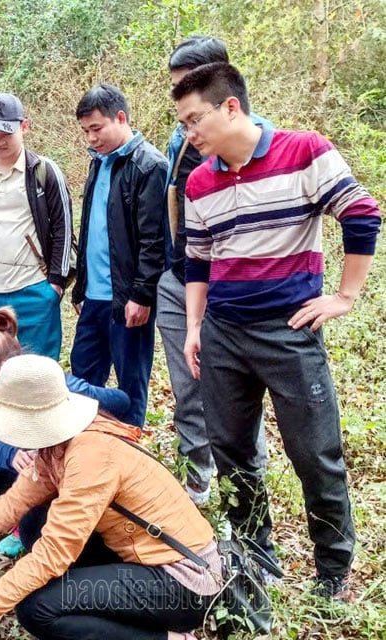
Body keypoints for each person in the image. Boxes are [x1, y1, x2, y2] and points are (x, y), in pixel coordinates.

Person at [174, 62, 381, 599]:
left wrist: (343, 297)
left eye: (195, 121)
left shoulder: (304, 151)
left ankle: (333, 573)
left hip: (289, 332)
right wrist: (195, 328)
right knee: (231, 452)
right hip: (223, 333)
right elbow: (198, 261)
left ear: (231, 107)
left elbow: (360, 213)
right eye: (184, 124)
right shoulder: (199, 181)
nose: (188, 134)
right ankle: (253, 557)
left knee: (316, 453)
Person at [0, 354, 219, 640]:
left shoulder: (90, 453)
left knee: (37, 609)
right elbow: (12, 504)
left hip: (183, 582)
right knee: (34, 524)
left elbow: (55, 551)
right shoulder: (57, 446)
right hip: (140, 555)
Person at [159, 37, 268, 505]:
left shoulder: (259, 140)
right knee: (187, 387)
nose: (185, 115)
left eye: (188, 90)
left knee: (236, 396)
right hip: (181, 277)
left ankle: (246, 480)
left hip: (231, 288)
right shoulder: (178, 142)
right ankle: (197, 474)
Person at [0, 306, 130, 556]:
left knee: (34, 532)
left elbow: (121, 402)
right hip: (31, 474)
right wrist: (10, 454)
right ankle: (19, 518)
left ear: (5, 370)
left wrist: (75, 397)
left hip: (65, 479)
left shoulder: (50, 384)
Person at [70, 84, 167, 427]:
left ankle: (130, 453)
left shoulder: (149, 165)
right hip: (94, 298)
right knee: (80, 382)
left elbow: (154, 240)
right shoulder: (98, 163)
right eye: (86, 131)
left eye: (97, 128)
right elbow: (93, 229)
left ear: (121, 118)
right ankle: (84, 449)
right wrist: (80, 289)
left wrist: (142, 295)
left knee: (131, 385)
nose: (91, 138)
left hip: (128, 301)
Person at [0, 92, 74, 361]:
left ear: (24, 126)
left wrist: (55, 284)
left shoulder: (44, 172)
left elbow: (65, 227)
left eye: (6, 132)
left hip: (36, 288)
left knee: (38, 371)